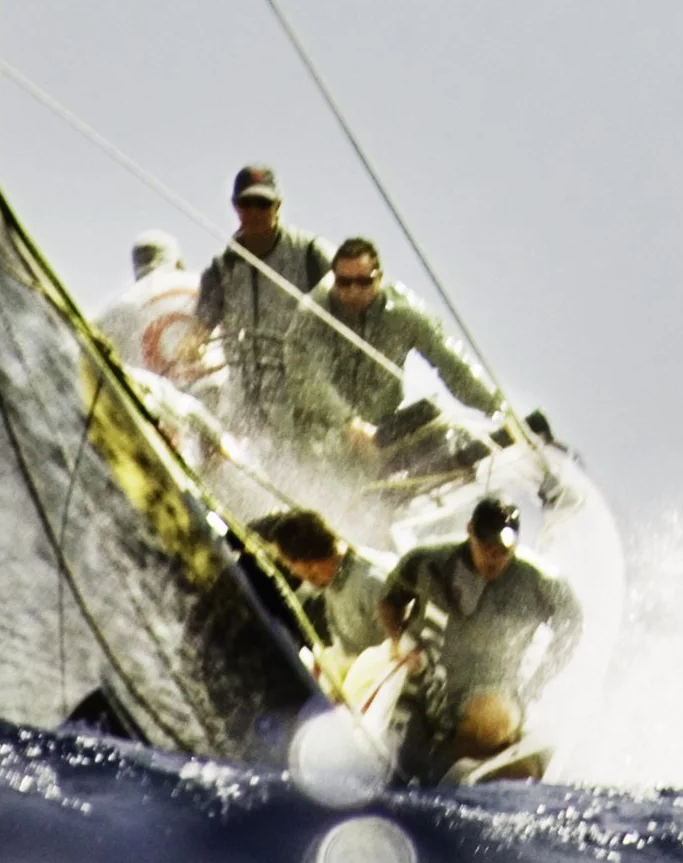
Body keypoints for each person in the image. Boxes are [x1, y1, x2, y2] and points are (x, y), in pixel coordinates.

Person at [377, 496, 580, 780]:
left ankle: (449, 769)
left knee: (494, 719)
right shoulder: (425, 562)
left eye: (503, 550)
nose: (494, 557)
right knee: (399, 756)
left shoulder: (540, 582)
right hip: (428, 682)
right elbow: (389, 601)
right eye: (486, 547)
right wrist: (398, 643)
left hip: (492, 692)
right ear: (470, 530)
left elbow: (571, 627)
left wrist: (535, 685)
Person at [288, 237, 502, 464]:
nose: (353, 290)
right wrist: (347, 421)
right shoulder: (313, 316)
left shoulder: (404, 313)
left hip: (382, 433)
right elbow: (308, 379)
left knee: (439, 426)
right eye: (344, 282)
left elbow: (454, 367)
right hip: (321, 438)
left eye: (363, 282)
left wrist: (499, 411)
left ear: (379, 278)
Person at [193, 165, 333, 439]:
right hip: (244, 409)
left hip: (305, 404)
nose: (255, 212)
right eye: (247, 203)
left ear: (278, 205)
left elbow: (356, 302)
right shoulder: (221, 271)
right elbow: (198, 333)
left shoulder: (310, 254)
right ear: (235, 207)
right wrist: (188, 346)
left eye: (263, 203)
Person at [249, 506, 389, 658]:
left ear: (308, 562)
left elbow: (404, 643)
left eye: (289, 565)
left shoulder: (370, 582)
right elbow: (345, 651)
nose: (292, 572)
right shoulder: (332, 589)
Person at [94, 230, 216, 390]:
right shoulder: (207, 286)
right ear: (178, 262)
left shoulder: (113, 311)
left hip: (159, 409)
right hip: (219, 392)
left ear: (136, 267)